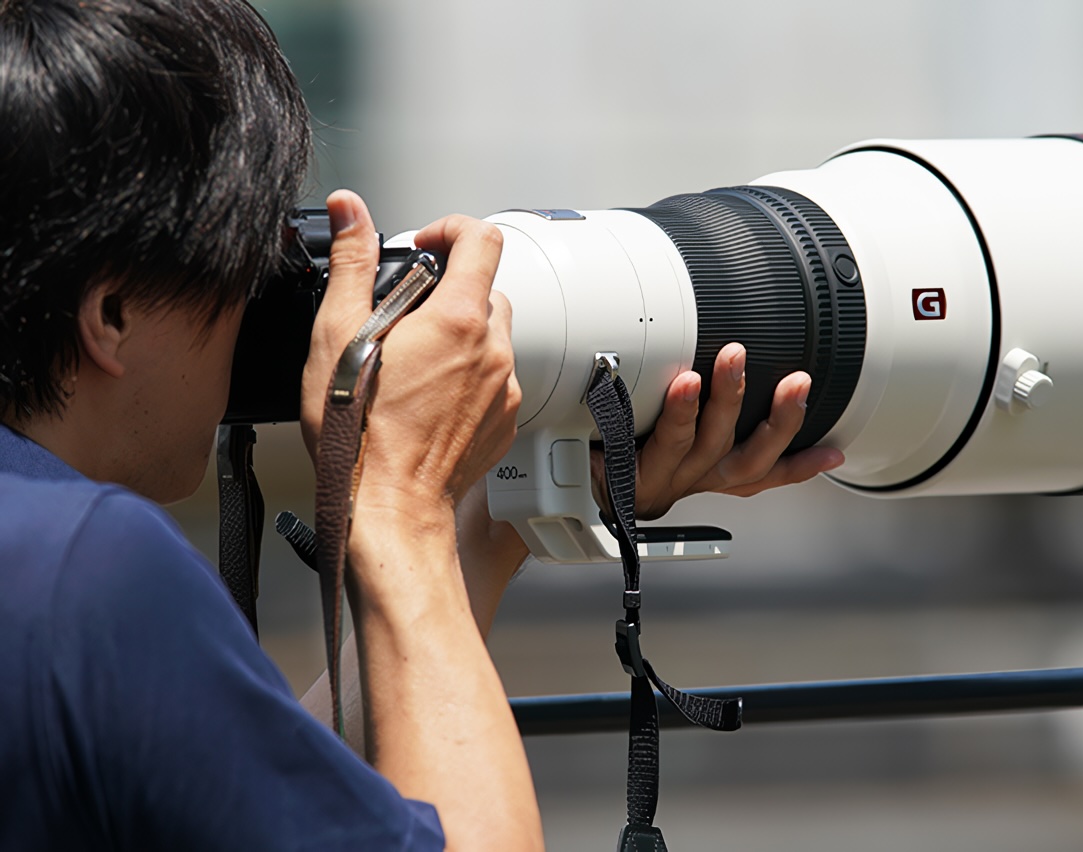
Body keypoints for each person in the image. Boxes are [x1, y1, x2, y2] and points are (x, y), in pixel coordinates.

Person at [0, 1, 845, 849]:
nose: (258, 314)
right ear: (113, 314)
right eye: (239, 266)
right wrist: (395, 500)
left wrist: (482, 524)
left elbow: (288, 809)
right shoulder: (94, 568)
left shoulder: (40, 562)